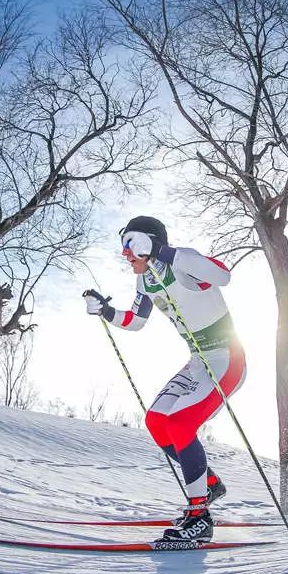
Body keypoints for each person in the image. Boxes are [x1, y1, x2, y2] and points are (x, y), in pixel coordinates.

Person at [83, 216, 246, 542]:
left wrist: (163, 250)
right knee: (158, 421)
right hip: (199, 360)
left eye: (130, 244)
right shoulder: (146, 281)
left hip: (227, 356)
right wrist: (104, 311)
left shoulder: (183, 262)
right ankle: (208, 484)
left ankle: (200, 517)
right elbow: (135, 320)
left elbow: (222, 275)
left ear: (148, 242)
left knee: (182, 422)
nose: (125, 254)